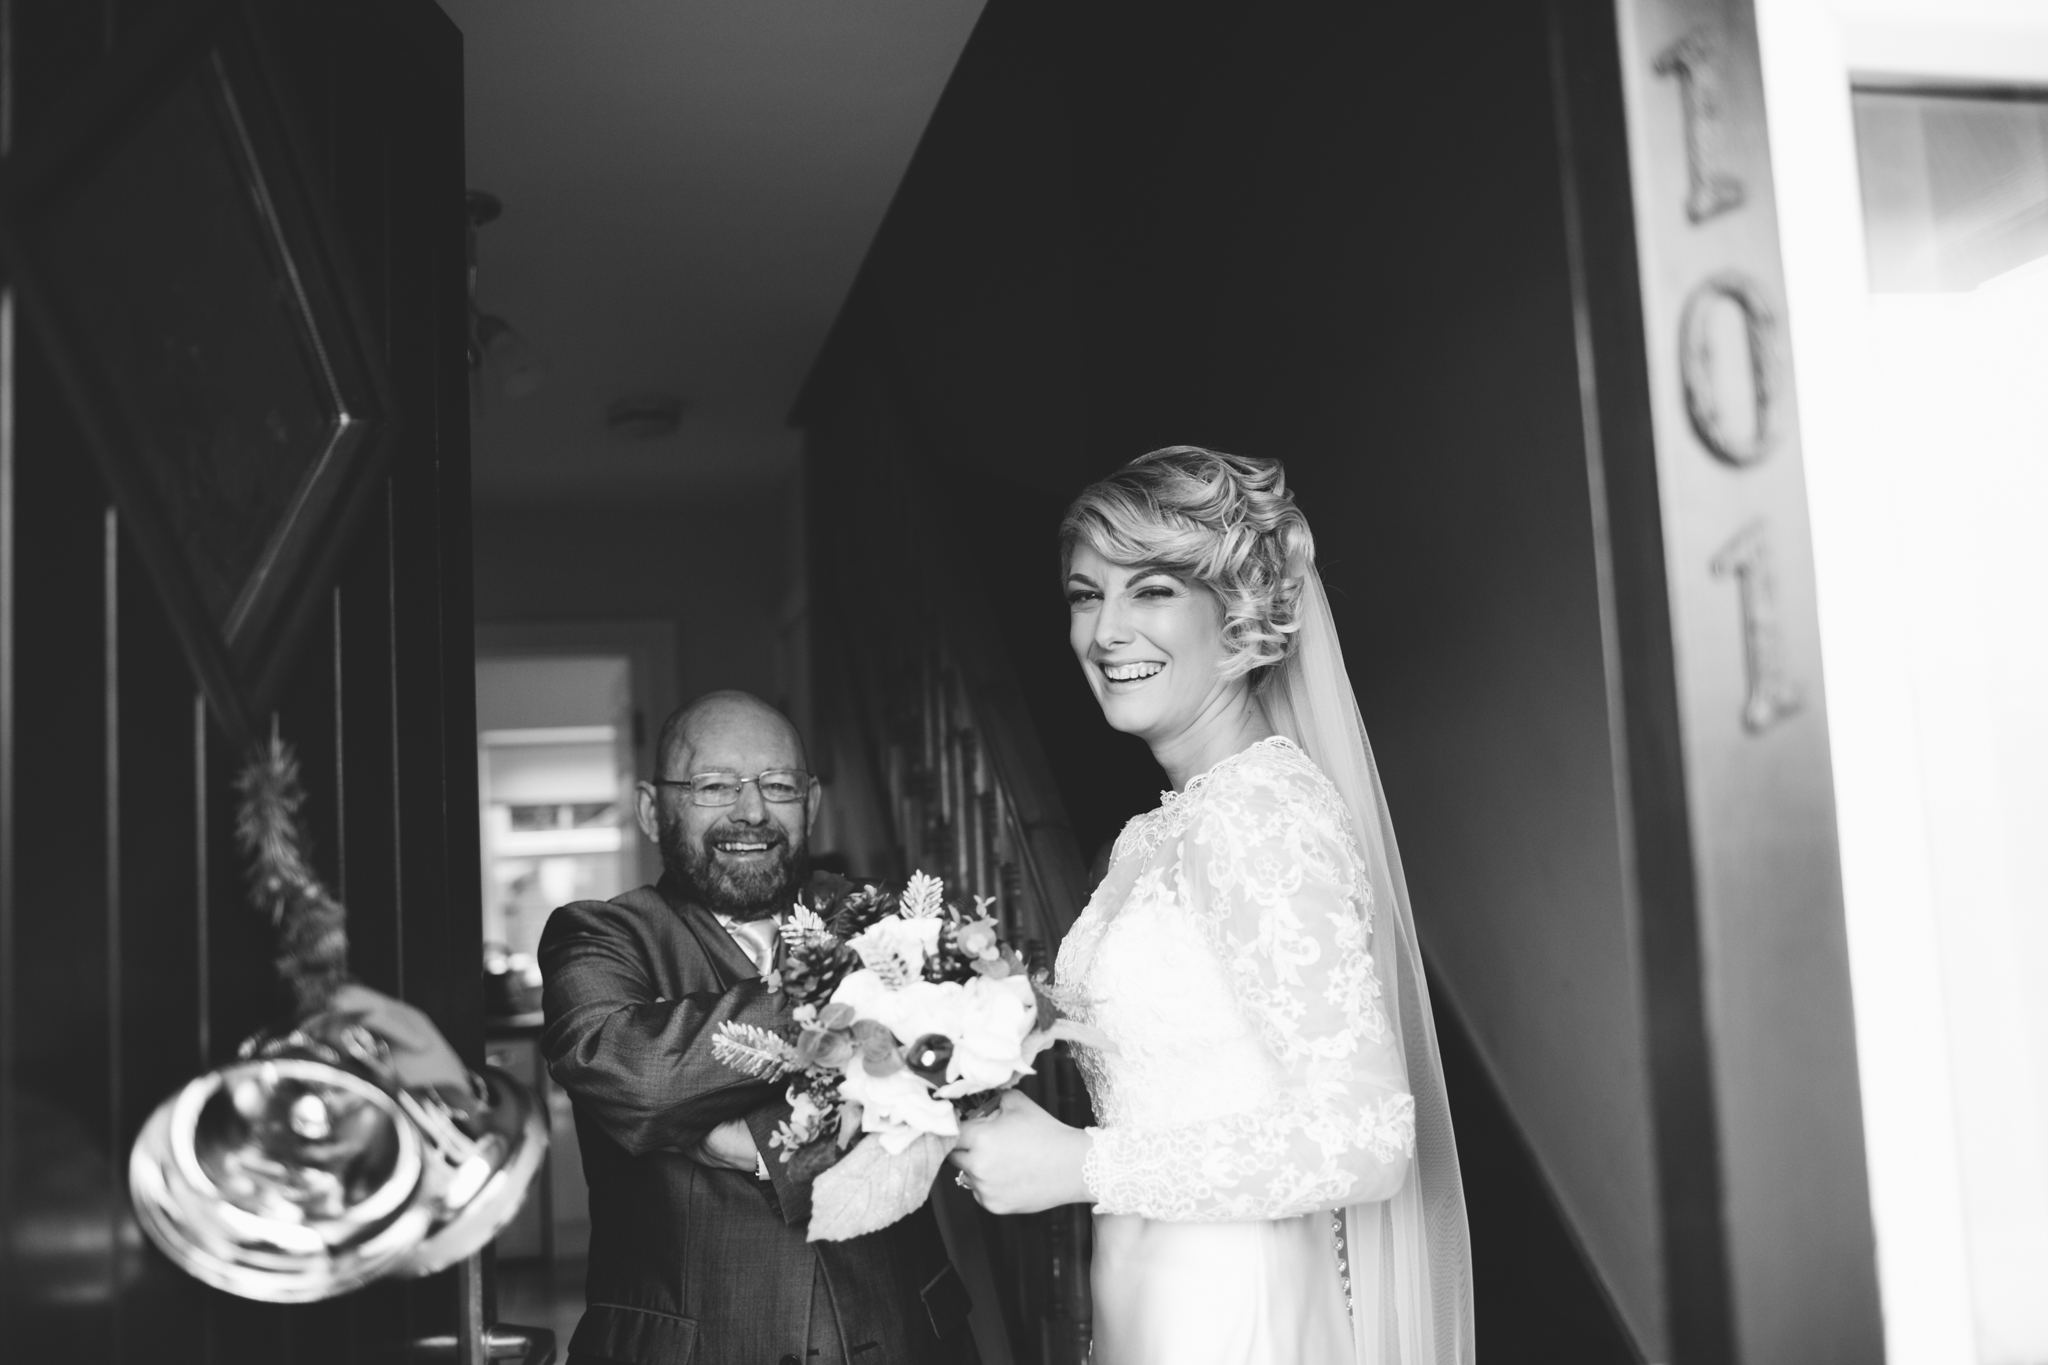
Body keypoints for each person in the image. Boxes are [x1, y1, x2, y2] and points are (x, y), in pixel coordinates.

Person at [948, 448, 1474, 1364]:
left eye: (1150, 590)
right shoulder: (1156, 834)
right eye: (1084, 594)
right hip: (1150, 1293)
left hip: (1240, 1309)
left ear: (1239, 624)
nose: (1106, 631)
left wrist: (1081, 1165)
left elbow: (1366, 1135)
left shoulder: (1259, 815)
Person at [540, 691, 976, 1365]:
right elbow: (641, 1075)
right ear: (653, 809)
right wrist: (848, 986)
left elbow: (959, 1076)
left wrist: (768, 1145)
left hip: (906, 1336)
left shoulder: (881, 914)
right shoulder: (599, 935)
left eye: (778, 785)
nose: (751, 811)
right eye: (715, 785)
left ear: (813, 802)